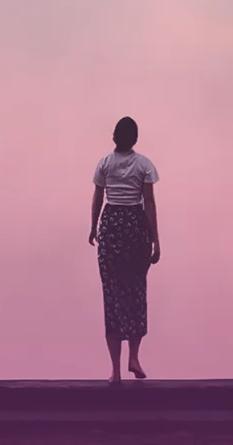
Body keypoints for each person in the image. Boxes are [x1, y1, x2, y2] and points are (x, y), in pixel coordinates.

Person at [88, 116, 160, 385]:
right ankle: (134, 357)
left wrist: (93, 228)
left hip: (112, 225)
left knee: (112, 297)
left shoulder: (104, 163)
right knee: (136, 293)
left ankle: (116, 371)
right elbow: (149, 203)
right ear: (135, 139)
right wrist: (156, 240)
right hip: (134, 226)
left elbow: (98, 198)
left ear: (114, 137)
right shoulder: (144, 165)